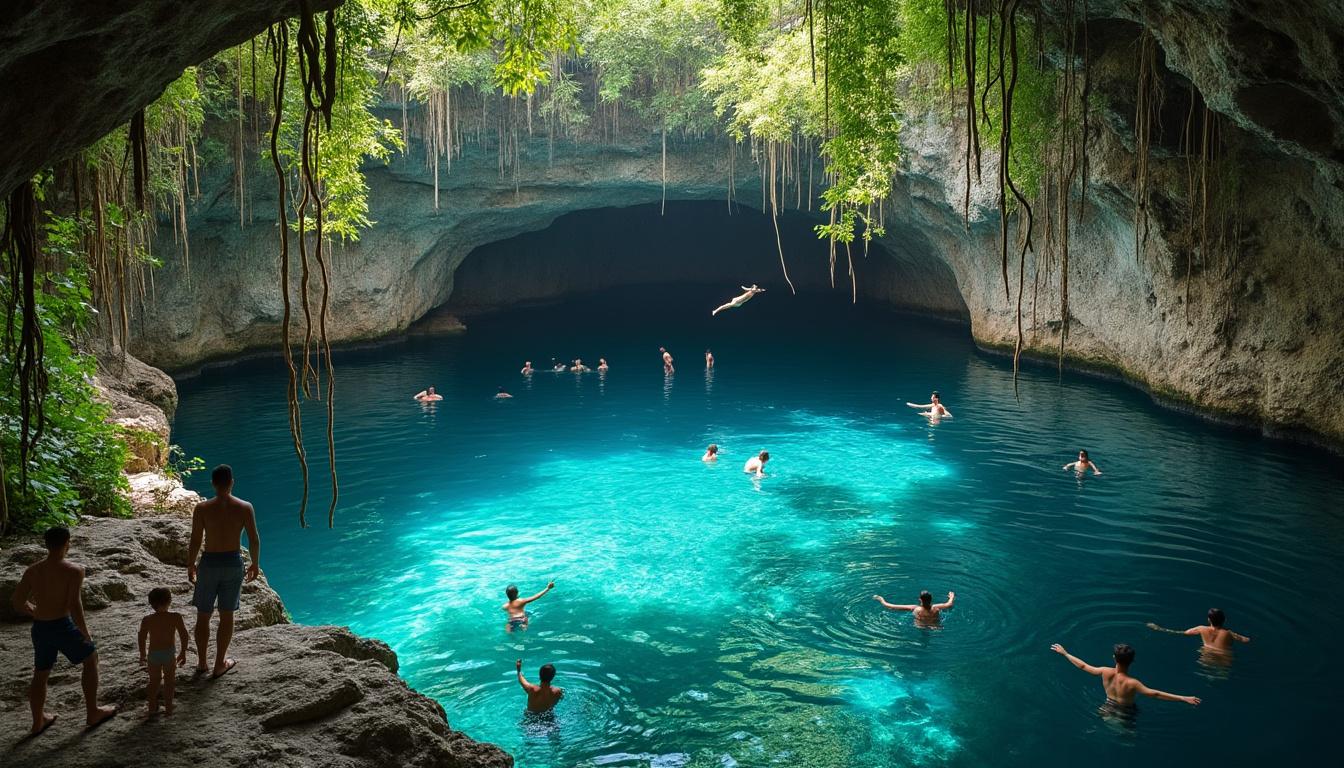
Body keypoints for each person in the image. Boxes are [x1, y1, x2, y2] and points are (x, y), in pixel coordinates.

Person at [10, 526, 118, 735]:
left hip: (40, 627)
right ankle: (92, 712)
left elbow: (17, 601)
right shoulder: (74, 570)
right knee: (90, 658)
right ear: (68, 542)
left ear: (46, 544)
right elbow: (74, 605)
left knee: (40, 673)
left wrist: (34, 611)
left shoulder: (33, 570)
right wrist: (85, 632)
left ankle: (37, 721)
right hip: (62, 625)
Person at [188, 464, 261, 679]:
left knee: (203, 615)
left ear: (212, 483)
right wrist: (255, 563)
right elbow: (254, 539)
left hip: (209, 564)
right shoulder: (245, 507)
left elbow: (195, 540)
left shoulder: (201, 509)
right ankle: (220, 663)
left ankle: (202, 663)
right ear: (232, 483)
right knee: (226, 615)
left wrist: (191, 563)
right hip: (232, 564)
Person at [1050, 643, 1201, 711]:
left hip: (1107, 706)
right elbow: (1155, 694)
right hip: (1126, 712)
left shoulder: (1104, 671)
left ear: (1114, 658)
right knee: (1128, 739)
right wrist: (1183, 698)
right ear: (1132, 661)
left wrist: (1065, 653)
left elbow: (1083, 666)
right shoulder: (1133, 683)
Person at [138, 587, 189, 718]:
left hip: (153, 655)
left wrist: (142, 654)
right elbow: (184, 634)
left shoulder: (147, 619)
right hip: (169, 654)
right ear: (170, 601)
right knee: (169, 682)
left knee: (154, 681)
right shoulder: (175, 617)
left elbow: (142, 637)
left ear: (151, 604)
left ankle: (152, 707)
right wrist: (183, 652)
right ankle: (169, 709)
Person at [1147, 608, 1251, 652]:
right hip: (1224, 656)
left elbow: (1182, 632)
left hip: (1206, 653)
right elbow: (1246, 640)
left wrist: (1158, 628)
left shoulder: (1201, 629)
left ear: (1209, 620)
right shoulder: (1229, 633)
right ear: (1224, 620)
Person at [873, 590, 955, 626]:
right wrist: (951, 597)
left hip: (920, 626)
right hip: (935, 625)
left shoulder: (915, 608)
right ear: (931, 599)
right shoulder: (936, 607)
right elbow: (949, 604)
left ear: (920, 599)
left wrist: (881, 599)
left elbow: (890, 606)